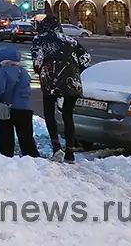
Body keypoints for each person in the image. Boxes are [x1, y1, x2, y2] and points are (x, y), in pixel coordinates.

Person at [32, 14, 91, 162]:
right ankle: (70, 152)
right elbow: (86, 58)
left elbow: (37, 61)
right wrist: (76, 71)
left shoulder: (39, 39)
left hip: (51, 80)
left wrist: (40, 69)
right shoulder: (70, 40)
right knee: (68, 115)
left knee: (49, 113)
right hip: (72, 82)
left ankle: (56, 148)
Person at [0, 47, 39, 158]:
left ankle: (7, 159)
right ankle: (33, 159)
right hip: (25, 109)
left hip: (9, 109)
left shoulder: (3, 70)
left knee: (6, 137)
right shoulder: (23, 71)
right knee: (26, 138)